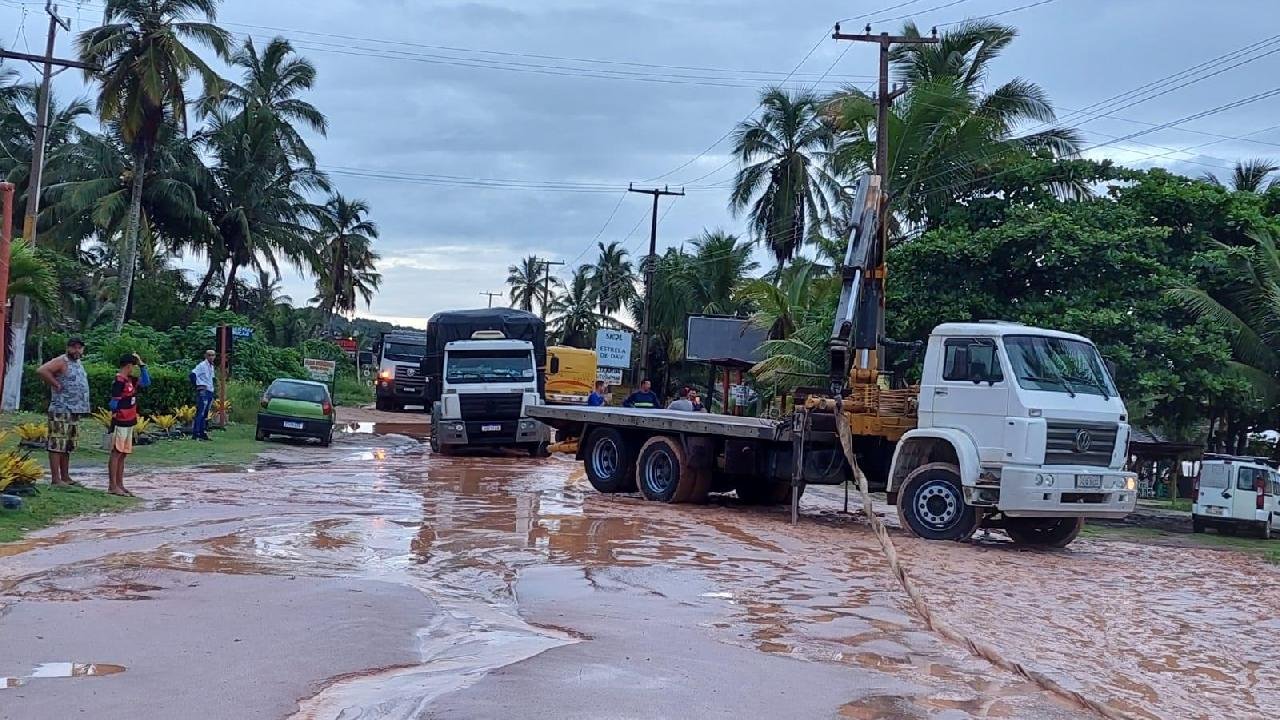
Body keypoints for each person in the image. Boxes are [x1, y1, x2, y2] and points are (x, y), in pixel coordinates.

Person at [36, 337, 90, 487]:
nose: (77, 350)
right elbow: (42, 370)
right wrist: (56, 384)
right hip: (61, 409)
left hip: (75, 410)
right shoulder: (62, 361)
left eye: (80, 347)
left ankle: (65, 477)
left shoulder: (78, 363)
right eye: (74, 347)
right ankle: (56, 478)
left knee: (68, 444)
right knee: (57, 443)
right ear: (68, 348)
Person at [107, 353, 151, 497]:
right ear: (129, 366)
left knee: (123, 453)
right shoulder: (119, 381)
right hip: (121, 421)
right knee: (116, 452)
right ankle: (112, 485)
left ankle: (120, 484)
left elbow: (146, 382)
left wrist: (142, 364)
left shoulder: (130, 380)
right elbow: (113, 403)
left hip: (130, 420)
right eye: (133, 366)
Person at [191, 349, 216, 441]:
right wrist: (197, 385)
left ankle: (202, 432)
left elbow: (211, 378)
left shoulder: (211, 366)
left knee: (205, 413)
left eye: (213, 355)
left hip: (209, 390)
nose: (211, 357)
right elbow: (192, 374)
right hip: (203, 391)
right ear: (205, 356)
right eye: (209, 355)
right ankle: (196, 433)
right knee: (200, 412)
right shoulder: (202, 365)